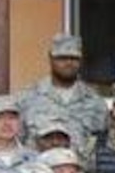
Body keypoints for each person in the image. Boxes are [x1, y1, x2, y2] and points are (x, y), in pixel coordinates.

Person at [16, 33, 108, 161]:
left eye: (74, 58)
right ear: (50, 58)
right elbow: (16, 144)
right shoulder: (27, 98)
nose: (68, 63)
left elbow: (101, 145)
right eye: (62, 58)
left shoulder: (96, 103)